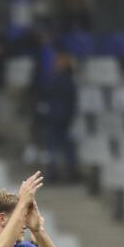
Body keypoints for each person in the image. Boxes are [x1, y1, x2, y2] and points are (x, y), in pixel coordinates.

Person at [37, 52, 78, 183]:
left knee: (55, 147)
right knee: (59, 147)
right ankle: (65, 172)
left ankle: (59, 172)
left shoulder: (59, 80)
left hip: (57, 118)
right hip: (60, 118)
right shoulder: (66, 80)